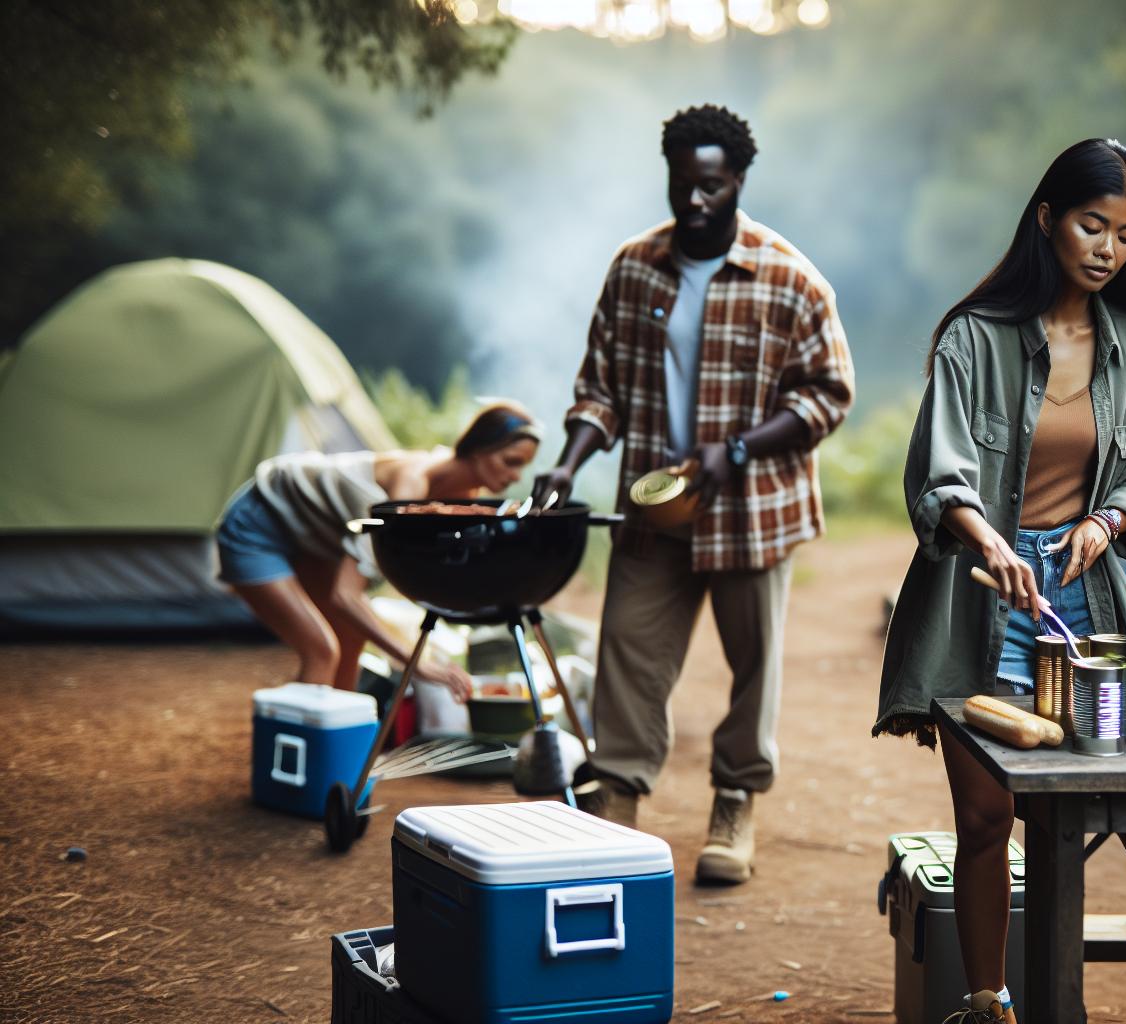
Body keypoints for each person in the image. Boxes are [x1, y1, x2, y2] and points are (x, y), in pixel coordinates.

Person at [878, 139, 1126, 1024]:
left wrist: (1106, 521)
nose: (1108, 249)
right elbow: (939, 477)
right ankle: (990, 1005)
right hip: (979, 598)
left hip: (1089, 606)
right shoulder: (972, 340)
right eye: (1093, 224)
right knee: (987, 822)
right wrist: (991, 541)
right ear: (1047, 219)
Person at [532, 104, 853, 885]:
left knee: (754, 666)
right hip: (655, 507)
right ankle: (617, 800)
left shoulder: (790, 277)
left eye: (711, 185)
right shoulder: (635, 267)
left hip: (753, 511)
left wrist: (737, 449)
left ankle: (735, 802)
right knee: (629, 654)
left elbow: (827, 395)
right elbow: (599, 388)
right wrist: (568, 465)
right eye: (684, 184)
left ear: (738, 179)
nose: (696, 201)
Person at [216, 402, 544, 699]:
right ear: (479, 449)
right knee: (322, 651)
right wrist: (415, 663)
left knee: (349, 639)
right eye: (510, 461)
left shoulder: (461, 489)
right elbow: (345, 595)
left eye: (522, 467)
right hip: (256, 525)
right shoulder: (408, 488)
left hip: (310, 535)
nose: (515, 476)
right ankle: (302, 757)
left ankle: (341, 752)